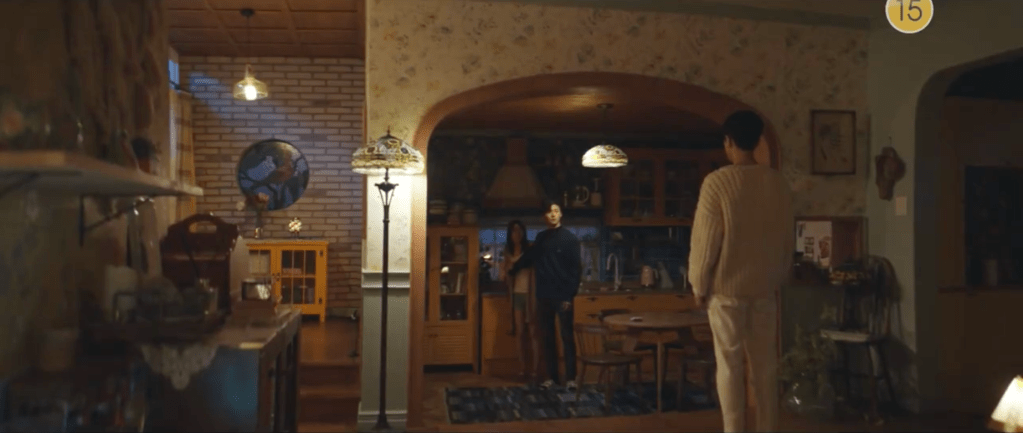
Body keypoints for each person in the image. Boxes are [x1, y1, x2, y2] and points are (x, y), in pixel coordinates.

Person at [688, 110, 794, 432]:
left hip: (726, 292)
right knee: (766, 367)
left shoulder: (717, 182)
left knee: (730, 366)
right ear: (758, 140)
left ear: (729, 141)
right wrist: (778, 276)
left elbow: (706, 242)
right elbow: (787, 236)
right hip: (764, 289)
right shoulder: (778, 182)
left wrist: (698, 284)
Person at [508, 200, 582, 391]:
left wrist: (569, 296)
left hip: (563, 296)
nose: (553, 214)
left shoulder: (570, 238)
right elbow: (529, 257)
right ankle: (552, 378)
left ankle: (571, 378)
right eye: (549, 212)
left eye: (556, 211)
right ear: (544, 216)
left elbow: (576, 270)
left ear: (561, 214)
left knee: (567, 337)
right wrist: (513, 269)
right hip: (543, 295)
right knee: (547, 338)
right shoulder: (541, 238)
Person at [499, 220, 541, 382]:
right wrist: (504, 270)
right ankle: (522, 369)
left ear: (523, 232)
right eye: (514, 231)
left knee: (533, 332)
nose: (517, 234)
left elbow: (536, 270)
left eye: (519, 230)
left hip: (531, 294)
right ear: (510, 234)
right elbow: (503, 276)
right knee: (520, 333)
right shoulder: (507, 252)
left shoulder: (529, 249)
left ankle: (535, 370)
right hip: (516, 294)